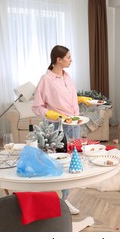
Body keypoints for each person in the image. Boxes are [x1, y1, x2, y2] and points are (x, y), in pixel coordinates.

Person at [32, 45, 90, 214]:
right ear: (58, 59)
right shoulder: (46, 79)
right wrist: (50, 113)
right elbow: (37, 107)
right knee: (58, 163)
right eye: (68, 57)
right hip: (56, 127)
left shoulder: (67, 76)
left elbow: (68, 98)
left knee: (72, 162)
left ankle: (64, 201)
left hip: (74, 124)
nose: (71, 60)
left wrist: (79, 99)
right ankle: (51, 201)